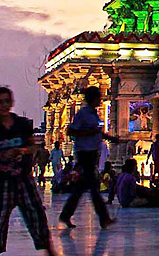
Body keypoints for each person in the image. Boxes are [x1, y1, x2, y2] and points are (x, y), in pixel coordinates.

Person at [0, 87, 55, 256]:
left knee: (36, 215)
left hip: (23, 179)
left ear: (12, 102)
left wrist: (21, 151)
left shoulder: (22, 124)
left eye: (6, 101)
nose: (3, 105)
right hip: (2, 182)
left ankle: (49, 251)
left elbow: (32, 146)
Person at [59, 85, 121, 230]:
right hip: (85, 153)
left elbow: (97, 133)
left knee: (82, 187)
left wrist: (111, 138)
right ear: (93, 98)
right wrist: (89, 132)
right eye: (98, 96)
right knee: (93, 187)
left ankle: (66, 215)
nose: (100, 99)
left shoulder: (93, 114)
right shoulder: (83, 113)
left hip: (92, 153)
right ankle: (104, 218)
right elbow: (71, 131)